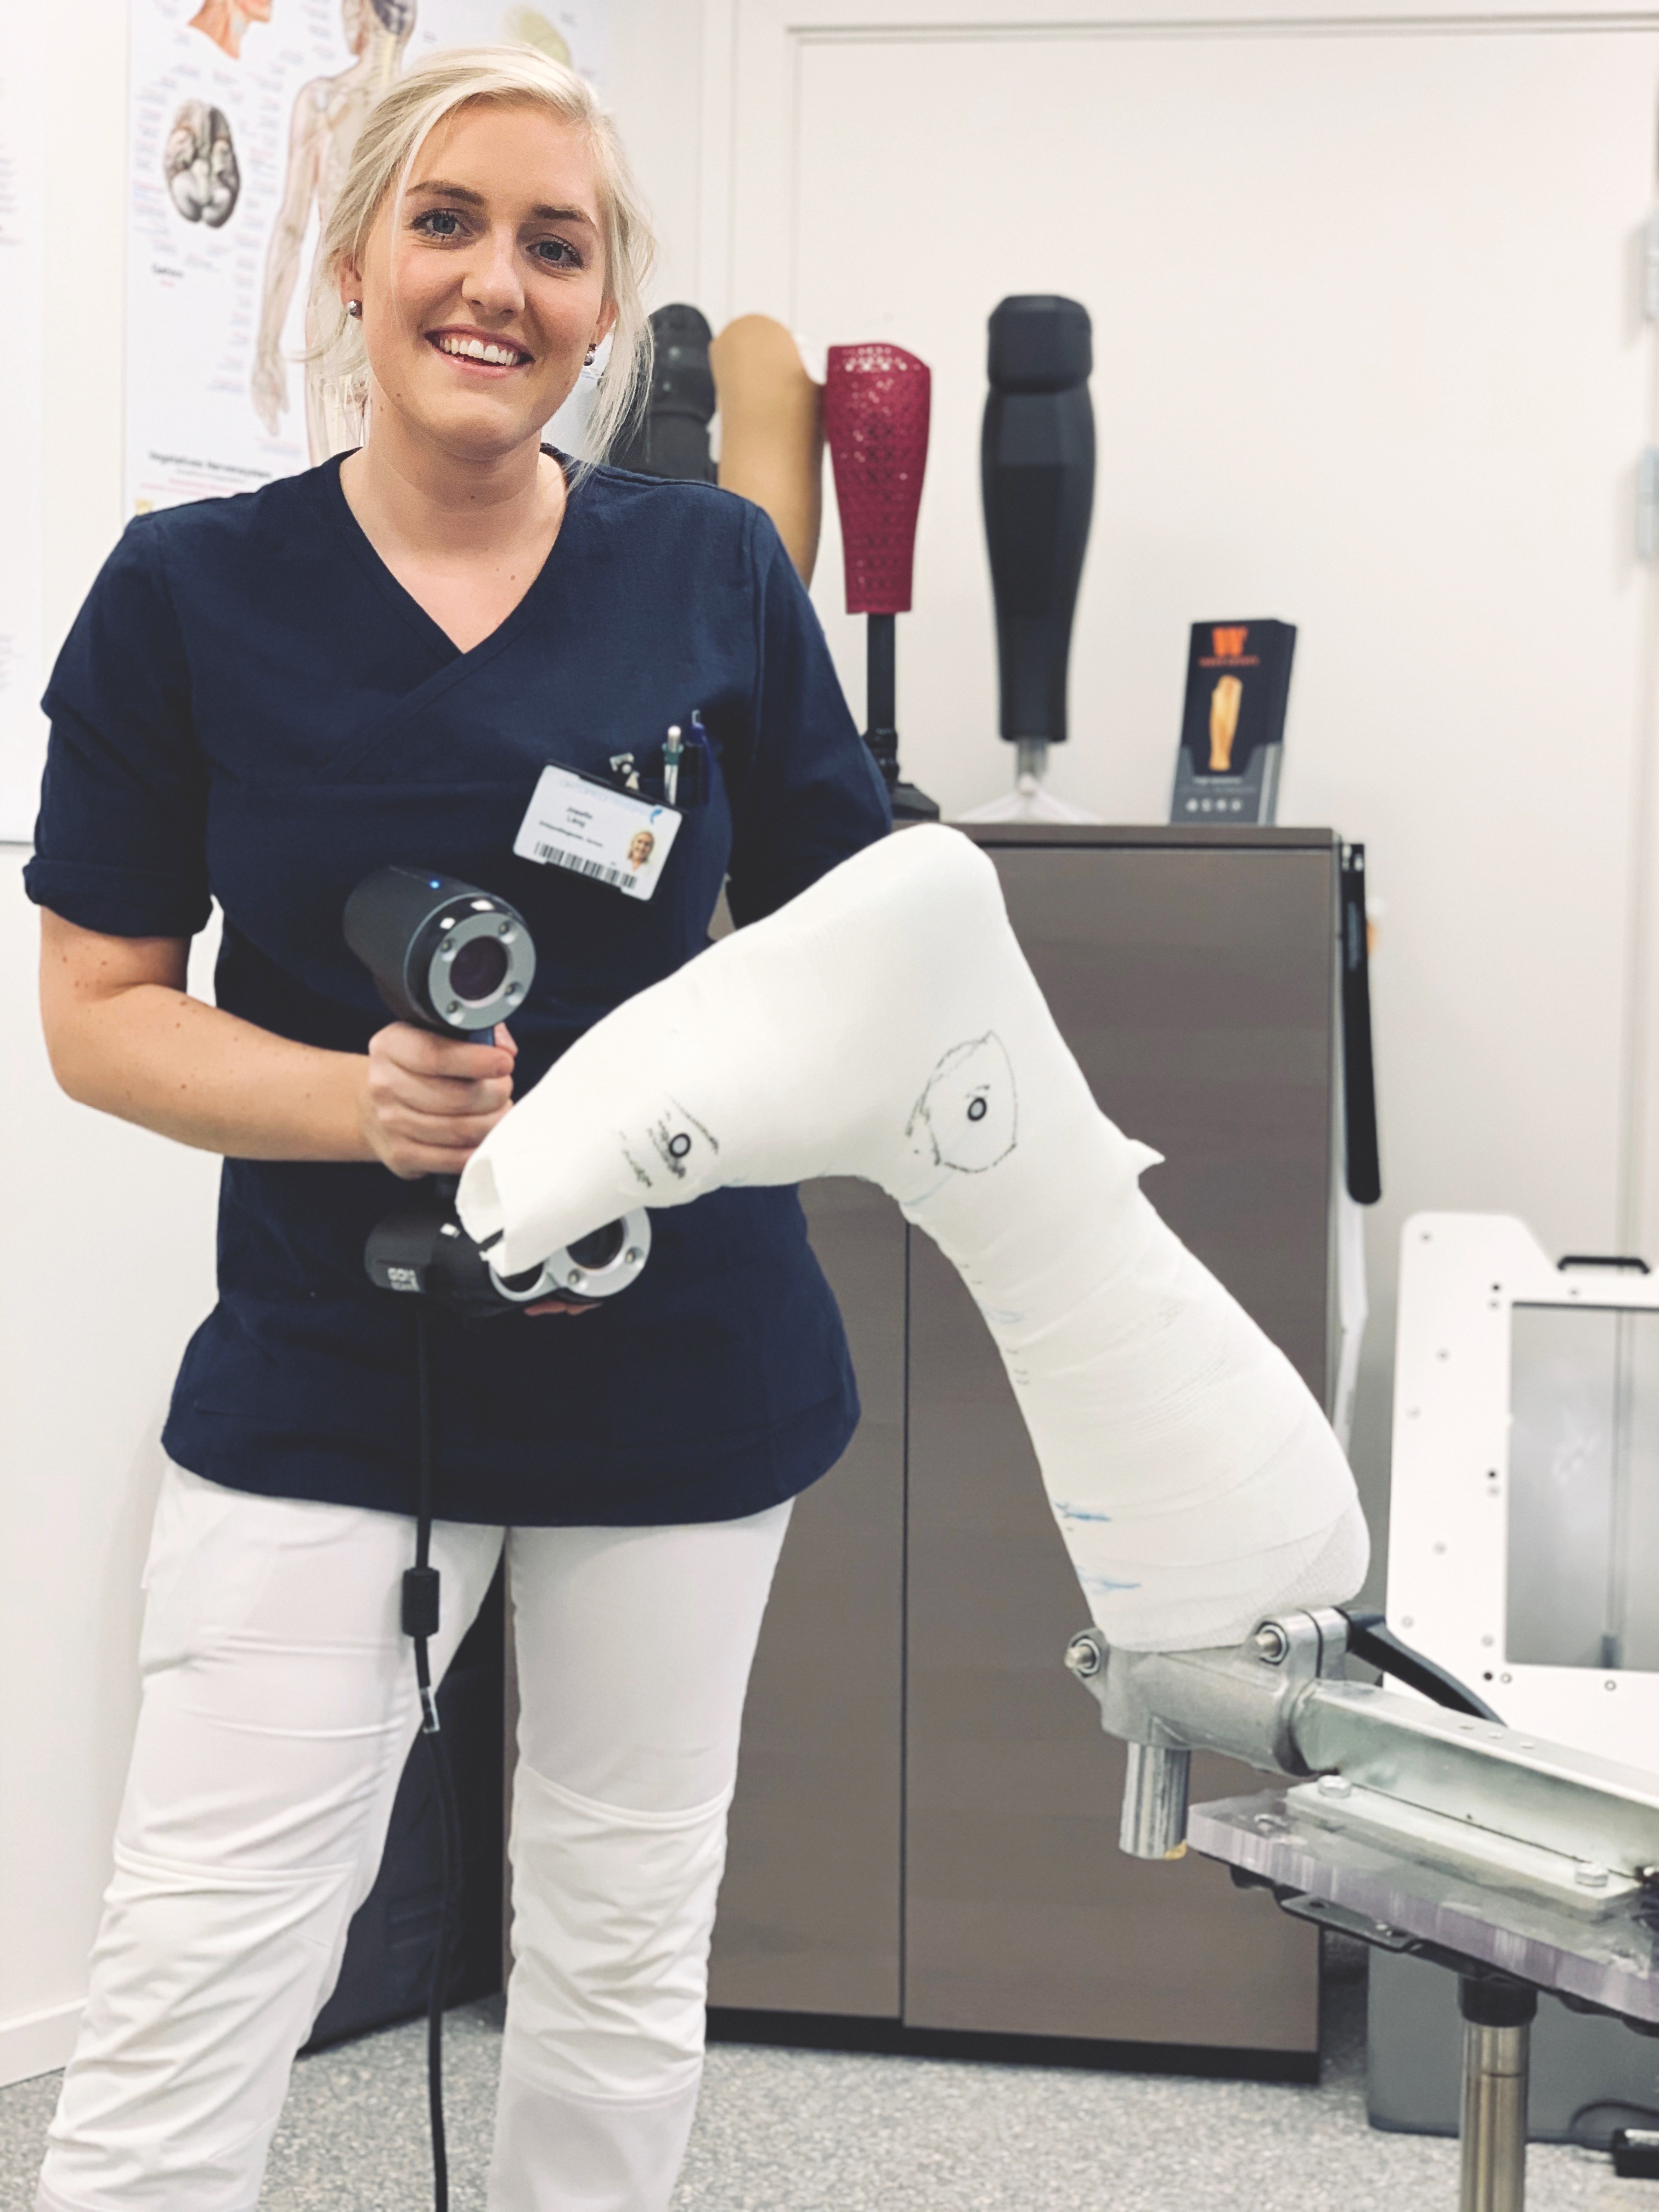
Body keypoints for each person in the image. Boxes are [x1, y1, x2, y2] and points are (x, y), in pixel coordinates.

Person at [27, 43, 889, 2212]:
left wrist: (710, 1089)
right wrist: (362, 1101)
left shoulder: (711, 574)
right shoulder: (187, 593)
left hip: (680, 1362)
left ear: (602, 310)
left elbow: (855, 951)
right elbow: (98, 1020)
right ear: (353, 261)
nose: (496, 282)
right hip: (334, 1361)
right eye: (447, 222)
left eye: (554, 244)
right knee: (201, 1962)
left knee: (618, 1951)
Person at [250, 0, 419, 461]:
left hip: (397, 298)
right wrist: (265, 346)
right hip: (340, 300)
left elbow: (291, 228)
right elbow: (291, 228)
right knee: (339, 464)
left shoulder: (419, 115)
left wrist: (266, 347)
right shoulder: (329, 102)